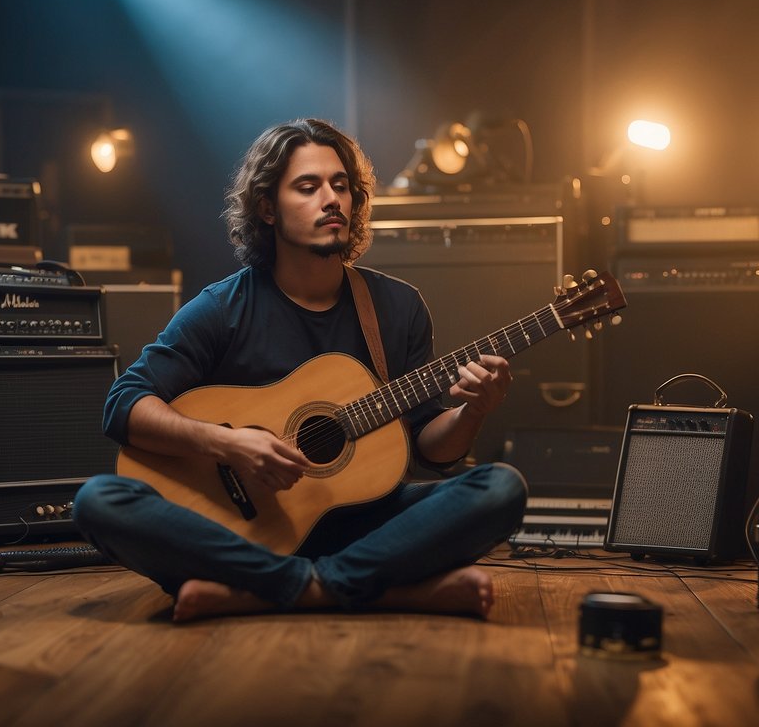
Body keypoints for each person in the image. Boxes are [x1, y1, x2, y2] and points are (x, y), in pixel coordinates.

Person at [73, 118, 528, 622]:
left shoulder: (397, 308)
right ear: (267, 208)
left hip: (363, 519)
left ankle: (273, 590)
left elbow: (429, 447)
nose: (331, 199)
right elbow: (123, 405)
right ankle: (379, 588)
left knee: (500, 487)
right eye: (308, 187)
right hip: (238, 531)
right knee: (100, 500)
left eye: (341, 185)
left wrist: (473, 413)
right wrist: (228, 444)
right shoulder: (223, 307)